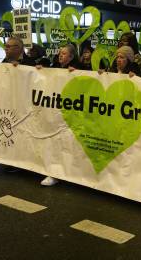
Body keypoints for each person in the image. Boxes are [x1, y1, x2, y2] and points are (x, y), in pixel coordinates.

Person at [35, 44, 78, 186]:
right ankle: (53, 172)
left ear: (71, 57)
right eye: (60, 53)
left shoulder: (79, 70)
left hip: (69, 113)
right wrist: (40, 72)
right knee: (54, 142)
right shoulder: (54, 68)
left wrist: (76, 73)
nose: (60, 55)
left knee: (66, 144)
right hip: (54, 111)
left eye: (64, 53)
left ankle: (64, 173)